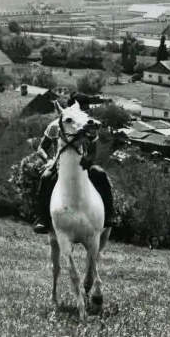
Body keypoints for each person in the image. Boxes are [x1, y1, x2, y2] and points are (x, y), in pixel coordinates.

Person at [32, 93, 118, 234]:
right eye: (84, 109)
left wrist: (88, 160)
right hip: (60, 165)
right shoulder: (55, 126)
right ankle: (43, 220)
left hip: (81, 164)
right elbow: (41, 148)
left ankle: (109, 215)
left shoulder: (90, 128)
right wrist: (48, 160)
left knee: (100, 174)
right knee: (45, 178)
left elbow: (92, 152)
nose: (86, 113)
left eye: (87, 110)